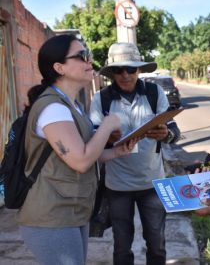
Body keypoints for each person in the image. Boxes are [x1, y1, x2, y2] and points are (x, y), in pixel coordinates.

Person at [17, 34, 137, 265]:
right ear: (59, 67)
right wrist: (108, 125)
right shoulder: (52, 108)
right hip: (50, 216)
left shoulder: (72, 106)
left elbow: (85, 154)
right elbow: (81, 161)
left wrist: (115, 152)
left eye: (89, 55)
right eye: (81, 56)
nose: (89, 62)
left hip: (71, 210)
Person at [90, 42, 178, 265]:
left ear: (139, 70)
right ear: (111, 72)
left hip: (152, 182)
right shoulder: (101, 99)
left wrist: (165, 133)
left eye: (131, 69)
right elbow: (91, 140)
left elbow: (173, 131)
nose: (125, 75)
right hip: (117, 186)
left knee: (157, 244)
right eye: (119, 70)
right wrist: (106, 138)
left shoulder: (154, 92)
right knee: (121, 245)